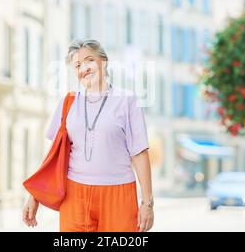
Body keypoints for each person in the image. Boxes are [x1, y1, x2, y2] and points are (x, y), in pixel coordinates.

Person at [23, 39, 154, 232]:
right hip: (75, 196)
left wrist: (147, 203)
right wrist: (34, 196)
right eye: (77, 65)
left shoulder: (127, 101)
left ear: (103, 61)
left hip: (118, 194)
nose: (84, 68)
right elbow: (54, 156)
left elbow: (139, 153)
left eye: (89, 60)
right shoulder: (68, 102)